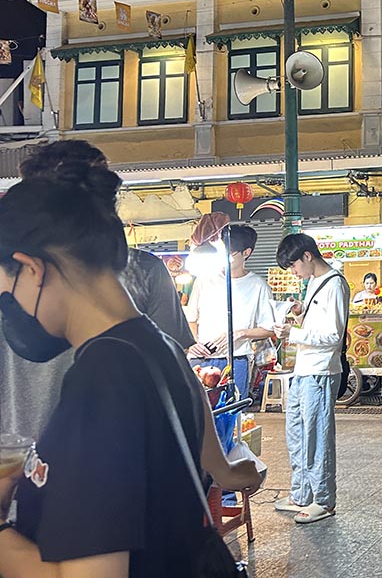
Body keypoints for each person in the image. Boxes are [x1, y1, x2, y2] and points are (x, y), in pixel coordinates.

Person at [0, 148, 260, 578]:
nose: (9, 309)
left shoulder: (100, 382)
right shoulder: (158, 348)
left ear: (32, 270)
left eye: (6, 291)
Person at [1, 140, 195, 439]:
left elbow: (175, 368)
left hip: (90, 451)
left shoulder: (143, 273)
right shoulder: (11, 270)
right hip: (23, 457)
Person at [273, 233, 349, 524]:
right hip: (302, 369)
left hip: (320, 371)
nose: (294, 272)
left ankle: (324, 499)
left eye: (293, 265)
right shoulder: (315, 283)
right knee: (296, 434)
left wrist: (294, 333)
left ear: (307, 256)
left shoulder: (335, 284)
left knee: (316, 436)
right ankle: (301, 493)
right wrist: (299, 312)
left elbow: (333, 336)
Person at [186, 224, 276, 401]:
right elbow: (191, 319)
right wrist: (193, 342)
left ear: (246, 253)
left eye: (230, 253)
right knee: (197, 411)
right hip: (200, 358)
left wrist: (239, 333)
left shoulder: (258, 286)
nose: (224, 258)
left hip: (236, 359)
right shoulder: (204, 280)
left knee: (232, 412)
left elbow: (270, 329)